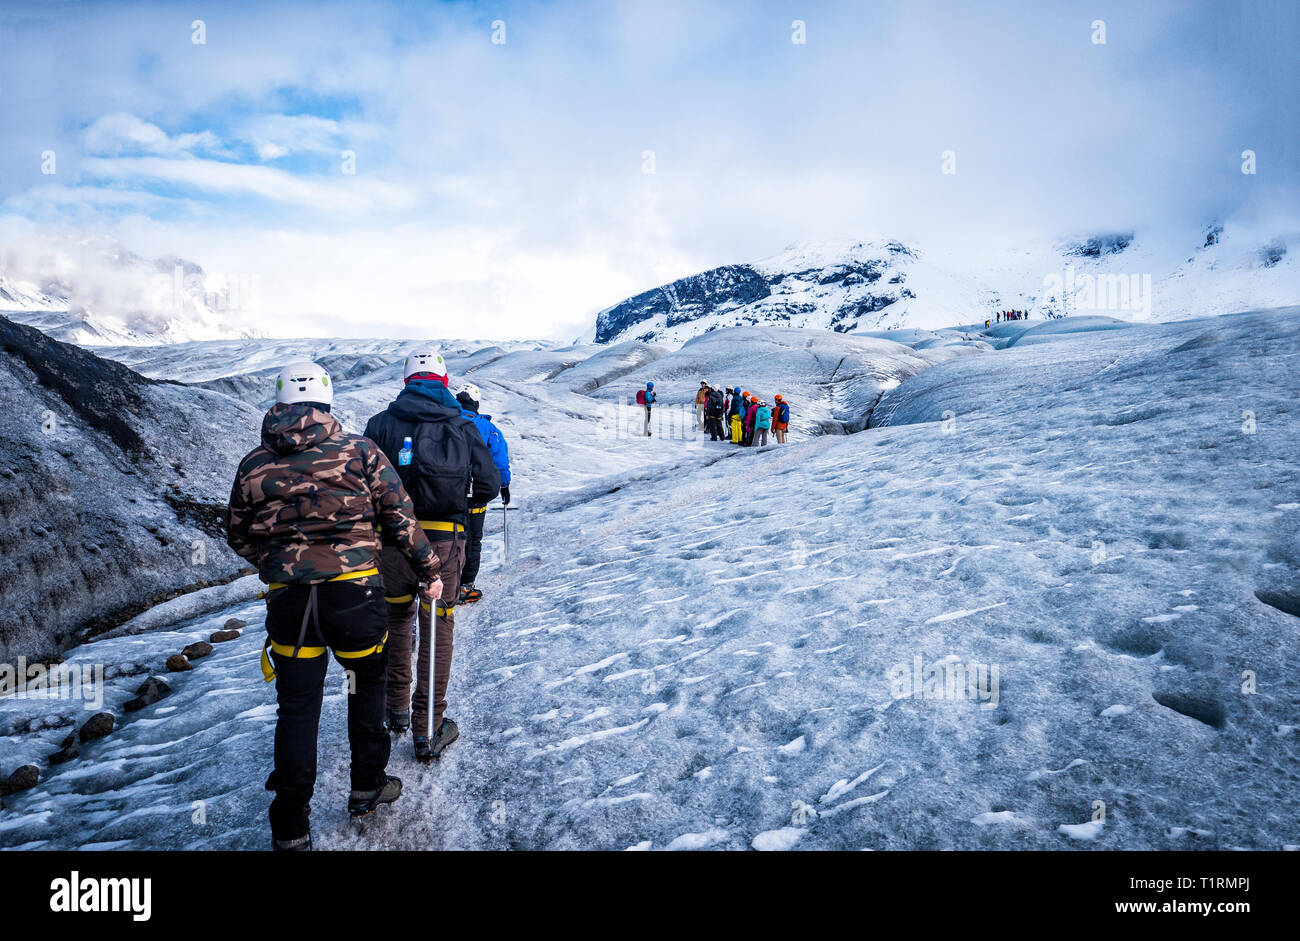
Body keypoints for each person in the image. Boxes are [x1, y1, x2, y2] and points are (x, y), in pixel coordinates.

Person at [226, 361, 442, 851]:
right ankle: (367, 786)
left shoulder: (254, 464)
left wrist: (277, 564)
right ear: (326, 400)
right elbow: (400, 519)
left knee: (296, 709)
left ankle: (290, 826)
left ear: (279, 402)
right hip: (356, 596)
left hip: (290, 603)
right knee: (365, 688)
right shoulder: (361, 452)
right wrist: (429, 572)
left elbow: (238, 533)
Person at [364, 349, 500, 763]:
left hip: (391, 542)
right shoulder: (463, 423)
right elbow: (489, 484)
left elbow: (361, 482)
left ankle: (396, 711)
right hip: (444, 540)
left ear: (406, 380)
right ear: (443, 380)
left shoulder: (380, 424)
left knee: (397, 620)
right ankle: (429, 727)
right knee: (438, 624)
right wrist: (461, 507)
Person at [454, 382, 511, 605]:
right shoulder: (488, 429)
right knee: (473, 538)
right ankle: (466, 585)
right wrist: (504, 485)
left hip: (448, 492)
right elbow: (499, 460)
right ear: (476, 404)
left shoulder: (447, 421)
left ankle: (445, 581)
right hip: (477, 491)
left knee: (450, 535)